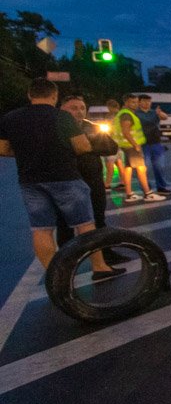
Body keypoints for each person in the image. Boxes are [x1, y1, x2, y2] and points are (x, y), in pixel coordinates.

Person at [0, 79, 120, 278]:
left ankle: (56, 274)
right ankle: (100, 267)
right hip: (64, 178)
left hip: (30, 180)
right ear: (54, 96)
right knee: (85, 224)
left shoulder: (10, 117)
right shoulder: (61, 117)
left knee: (41, 229)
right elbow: (81, 146)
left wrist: (27, 153)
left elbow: (3, 150)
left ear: (30, 95)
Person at [56, 95, 129, 264]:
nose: (79, 111)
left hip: (92, 181)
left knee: (98, 219)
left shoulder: (91, 127)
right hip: (66, 181)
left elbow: (111, 147)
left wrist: (83, 144)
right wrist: (88, 145)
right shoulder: (55, 127)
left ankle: (105, 256)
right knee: (65, 223)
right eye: (74, 108)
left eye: (82, 108)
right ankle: (66, 262)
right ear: (62, 109)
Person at [113, 93, 164, 203]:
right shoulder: (126, 115)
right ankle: (148, 193)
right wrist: (136, 145)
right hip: (131, 146)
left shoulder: (125, 113)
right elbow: (126, 131)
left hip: (126, 146)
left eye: (136, 102)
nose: (135, 104)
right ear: (126, 102)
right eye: (133, 102)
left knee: (128, 169)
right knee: (141, 168)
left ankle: (129, 194)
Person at [136, 93, 171, 195]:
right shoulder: (136, 113)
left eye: (149, 101)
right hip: (143, 143)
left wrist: (159, 113)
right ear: (139, 102)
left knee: (159, 166)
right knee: (144, 168)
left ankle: (161, 187)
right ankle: (146, 188)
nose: (147, 103)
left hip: (156, 142)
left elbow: (165, 117)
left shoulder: (154, 112)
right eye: (144, 101)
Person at [103, 98, 122, 187]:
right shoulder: (117, 114)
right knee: (118, 162)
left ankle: (107, 183)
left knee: (109, 162)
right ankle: (123, 181)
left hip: (112, 141)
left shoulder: (115, 115)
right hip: (118, 141)